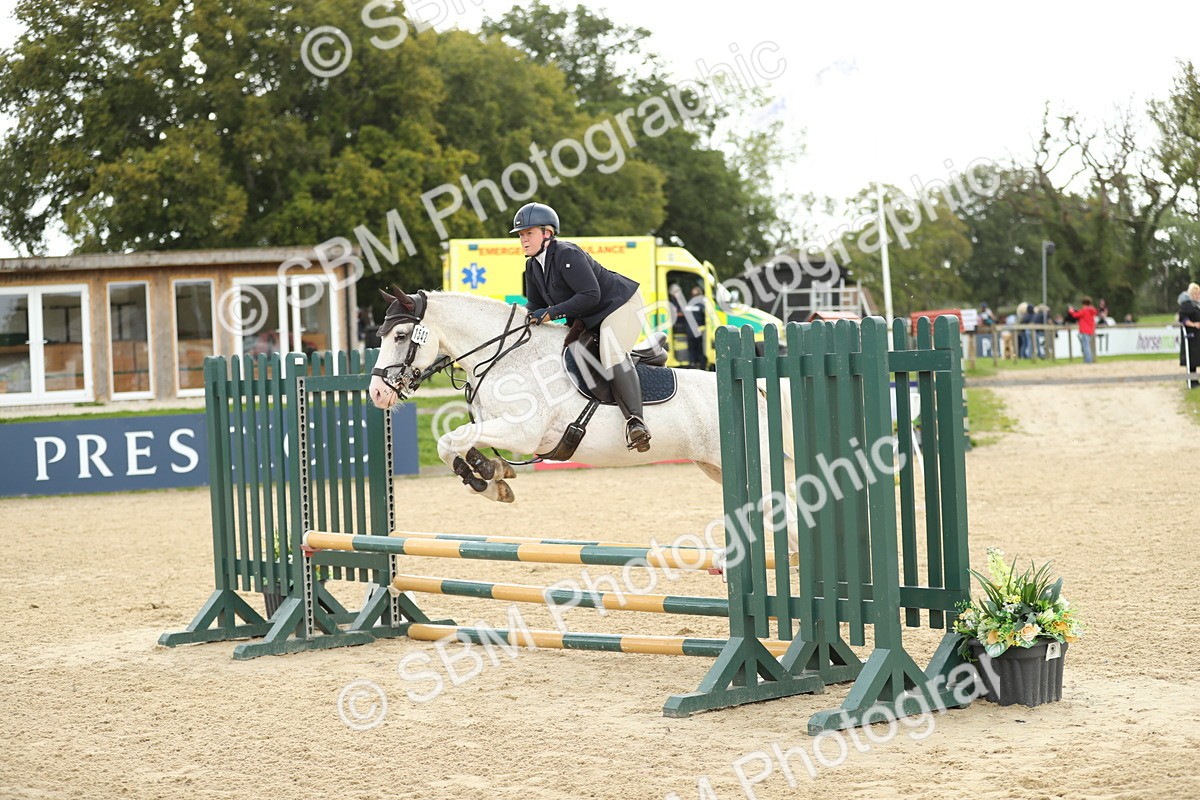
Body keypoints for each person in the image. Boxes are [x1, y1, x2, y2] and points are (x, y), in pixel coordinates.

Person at [513, 201, 652, 452]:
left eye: (529, 233)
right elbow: (534, 303)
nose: (523, 239)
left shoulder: (567, 254)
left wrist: (550, 313)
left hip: (620, 305)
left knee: (611, 354)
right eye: (521, 235)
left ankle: (636, 423)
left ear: (548, 233)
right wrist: (518, 320)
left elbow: (590, 295)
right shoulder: (532, 265)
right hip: (592, 315)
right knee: (571, 353)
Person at [1178, 283, 1200, 388]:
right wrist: (1193, 324)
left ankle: (1195, 380)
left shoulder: (1197, 305)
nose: (1197, 295)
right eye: (1195, 293)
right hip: (1191, 336)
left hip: (1197, 336)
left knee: (1196, 358)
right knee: (1191, 359)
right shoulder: (1187, 305)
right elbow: (1183, 318)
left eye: (1198, 293)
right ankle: (1191, 381)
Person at [1066, 296, 1099, 364]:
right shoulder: (1091, 310)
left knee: (1085, 346)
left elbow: (1075, 315)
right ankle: (1088, 360)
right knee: (1087, 346)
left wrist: (1071, 311)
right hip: (1090, 330)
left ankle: (1088, 361)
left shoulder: (1084, 310)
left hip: (1084, 330)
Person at [685, 286, 707, 369]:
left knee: (691, 348)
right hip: (699, 330)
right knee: (700, 348)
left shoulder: (689, 303)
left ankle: (692, 363)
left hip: (689, 330)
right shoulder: (702, 304)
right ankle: (702, 365)